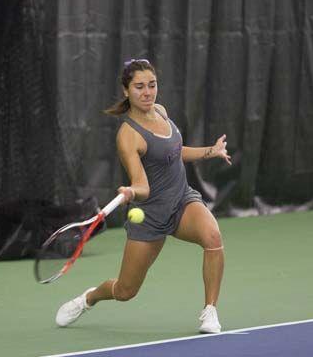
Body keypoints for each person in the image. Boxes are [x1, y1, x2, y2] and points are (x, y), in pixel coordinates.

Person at [55, 58, 231, 333]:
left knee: (213, 237)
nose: (148, 92)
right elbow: (142, 185)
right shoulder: (128, 135)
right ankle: (88, 298)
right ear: (126, 91)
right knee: (125, 290)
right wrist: (130, 191)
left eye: (152, 85)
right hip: (149, 215)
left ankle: (210, 311)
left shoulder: (160, 111)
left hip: (182, 200)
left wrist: (211, 150)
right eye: (139, 87)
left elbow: (175, 153)